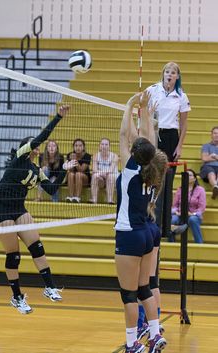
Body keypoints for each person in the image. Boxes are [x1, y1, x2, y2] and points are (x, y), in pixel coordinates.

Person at [0, 106, 78, 314]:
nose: (38, 149)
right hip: (1, 210)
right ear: (27, 148)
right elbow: (41, 137)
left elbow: (51, 189)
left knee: (37, 247)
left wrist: (64, 172)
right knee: (14, 256)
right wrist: (58, 117)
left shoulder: (37, 171)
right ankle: (17, 297)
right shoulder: (19, 158)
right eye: (34, 146)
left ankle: (49, 287)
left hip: (19, 209)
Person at [115, 91, 167, 353]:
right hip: (146, 233)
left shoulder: (131, 170)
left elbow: (125, 136)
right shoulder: (153, 167)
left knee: (128, 294)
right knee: (145, 286)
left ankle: (131, 342)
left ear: (135, 153)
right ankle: (156, 335)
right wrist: (144, 111)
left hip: (129, 234)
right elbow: (146, 140)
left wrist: (129, 106)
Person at [146, 62, 191, 232]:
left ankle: (165, 225)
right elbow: (142, 110)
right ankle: (151, 220)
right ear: (163, 74)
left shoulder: (181, 96)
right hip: (154, 133)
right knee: (153, 178)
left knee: (167, 179)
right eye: (167, 72)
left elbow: (184, 124)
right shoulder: (153, 90)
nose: (169, 75)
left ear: (177, 77)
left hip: (171, 137)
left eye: (173, 72)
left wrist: (180, 146)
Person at [170, 169, 206, 243]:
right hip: (180, 214)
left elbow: (201, 208)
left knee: (192, 219)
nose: (187, 177)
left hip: (193, 215)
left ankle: (199, 244)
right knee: (172, 219)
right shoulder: (180, 189)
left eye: (190, 175)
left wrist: (193, 214)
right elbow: (174, 206)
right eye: (186, 175)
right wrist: (176, 212)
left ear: (195, 178)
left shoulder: (200, 190)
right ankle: (171, 242)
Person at [90, 138, 118, 204]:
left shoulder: (114, 156)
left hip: (112, 178)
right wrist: (101, 175)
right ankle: (94, 199)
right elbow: (94, 169)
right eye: (102, 144)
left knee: (110, 176)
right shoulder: (96, 156)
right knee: (95, 176)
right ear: (99, 146)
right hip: (101, 178)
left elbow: (111, 170)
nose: (104, 146)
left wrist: (101, 173)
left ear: (109, 146)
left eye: (106, 144)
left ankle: (110, 200)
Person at [66, 138, 91, 203]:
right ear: (73, 147)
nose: (78, 147)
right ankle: (71, 197)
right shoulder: (70, 155)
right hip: (73, 178)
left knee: (78, 174)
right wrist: (71, 161)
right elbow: (70, 170)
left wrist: (75, 160)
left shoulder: (87, 156)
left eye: (80, 146)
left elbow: (82, 170)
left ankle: (77, 197)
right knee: (70, 174)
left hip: (84, 179)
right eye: (76, 146)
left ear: (83, 147)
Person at [200, 126, 218, 199]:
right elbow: (204, 158)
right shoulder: (206, 146)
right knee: (210, 172)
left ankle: (216, 187)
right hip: (208, 167)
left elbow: (207, 158)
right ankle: (215, 187)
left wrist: (214, 156)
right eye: (215, 133)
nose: (217, 135)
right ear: (211, 135)